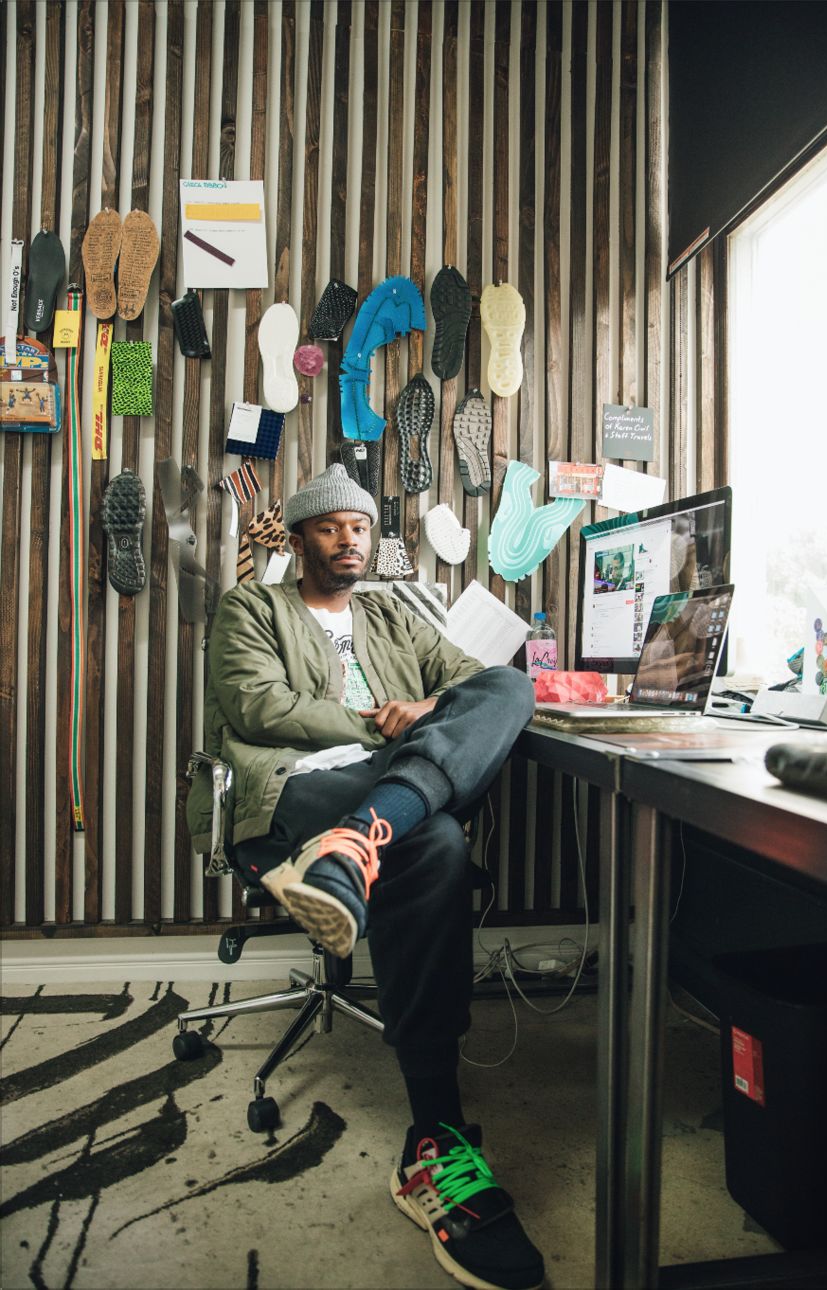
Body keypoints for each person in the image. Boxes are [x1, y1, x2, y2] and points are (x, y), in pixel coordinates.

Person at [187, 464, 545, 1290]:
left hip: (385, 782)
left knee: (510, 684)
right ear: (300, 538)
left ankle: (358, 842)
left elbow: (470, 680)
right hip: (291, 788)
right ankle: (436, 1132)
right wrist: (385, 726)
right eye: (331, 527)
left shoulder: (389, 612)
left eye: (360, 527)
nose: (350, 540)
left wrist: (426, 710)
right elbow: (260, 708)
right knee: (436, 840)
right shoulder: (254, 608)